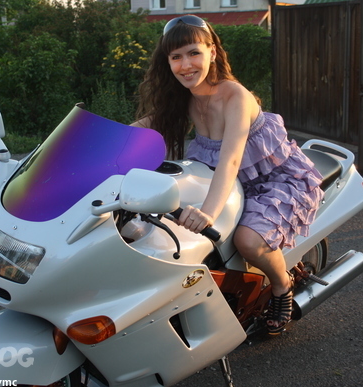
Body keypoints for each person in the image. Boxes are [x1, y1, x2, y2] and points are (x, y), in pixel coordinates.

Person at [132, 15, 324, 335]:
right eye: (176, 57)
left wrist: (207, 213)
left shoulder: (234, 96)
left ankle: (282, 286)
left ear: (212, 52)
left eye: (194, 53)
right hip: (231, 185)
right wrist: (97, 144)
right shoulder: (183, 98)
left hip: (276, 182)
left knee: (247, 241)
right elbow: (143, 129)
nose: (185, 65)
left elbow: (231, 159)